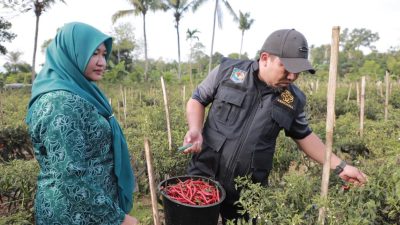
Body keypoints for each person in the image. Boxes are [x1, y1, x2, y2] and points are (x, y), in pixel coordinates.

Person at [181, 29, 367, 224]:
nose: (293, 76)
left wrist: (341, 166)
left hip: (247, 190)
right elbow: (197, 99)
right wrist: (195, 129)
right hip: (205, 173)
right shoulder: (228, 72)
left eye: (298, 71)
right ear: (265, 58)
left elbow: (305, 136)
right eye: (286, 67)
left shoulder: (292, 99)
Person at [25, 22, 138, 225]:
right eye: (94, 53)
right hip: (73, 214)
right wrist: (118, 219)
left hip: (92, 209)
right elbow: (71, 175)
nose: (102, 62)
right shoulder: (59, 102)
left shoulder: (80, 94)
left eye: (104, 54)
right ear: (72, 53)